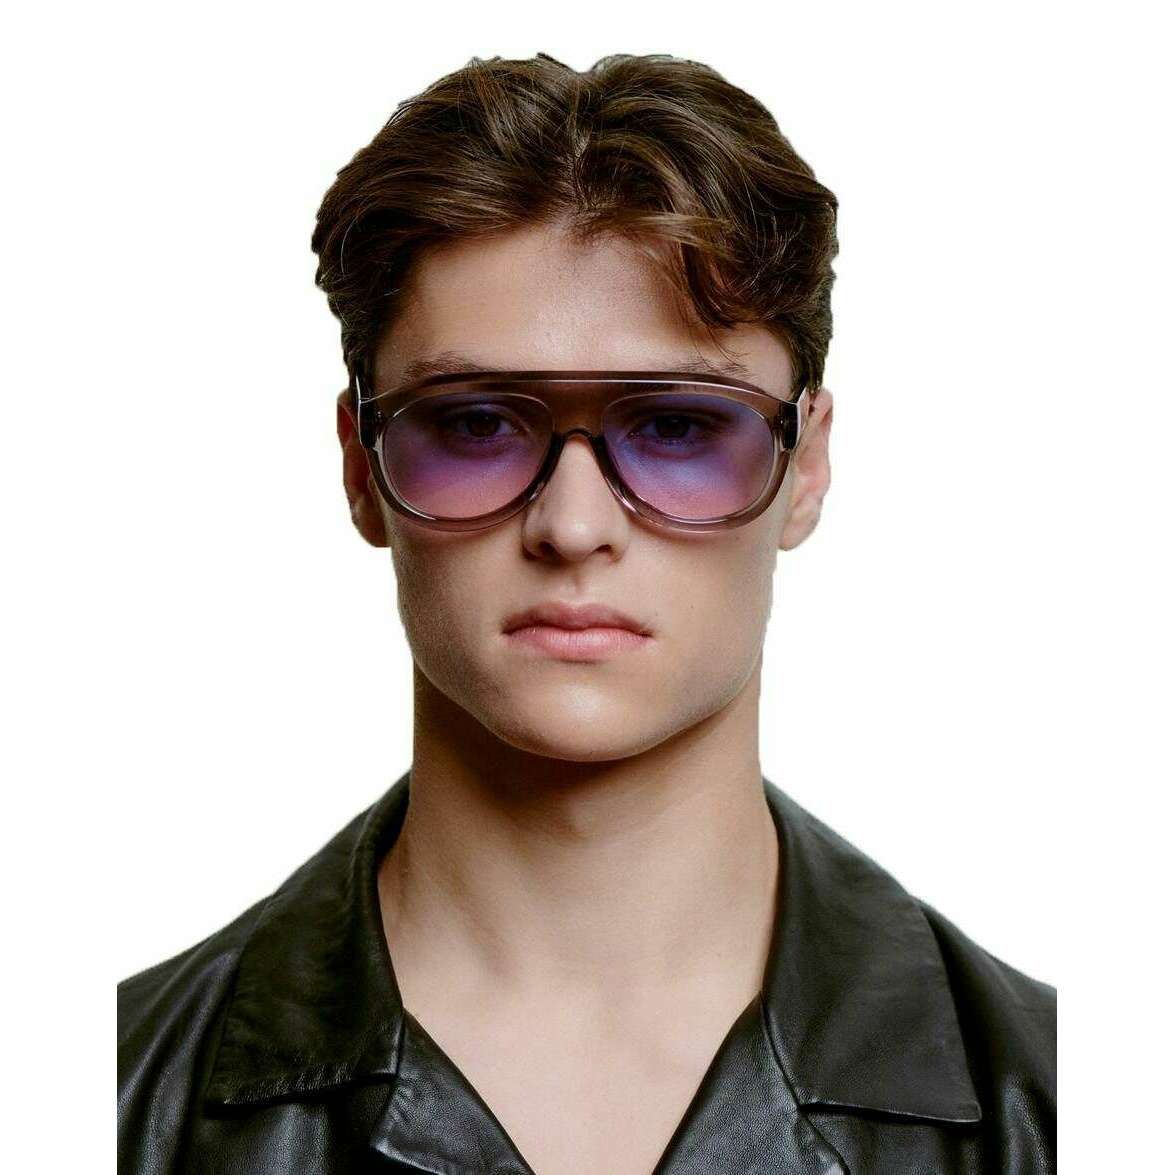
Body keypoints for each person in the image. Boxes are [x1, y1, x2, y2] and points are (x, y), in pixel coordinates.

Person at [117, 51, 1056, 1174]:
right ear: (362, 467)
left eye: (677, 425)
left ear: (803, 466)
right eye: (474, 422)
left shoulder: (1064, 1107)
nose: (572, 524)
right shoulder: (104, 1104)